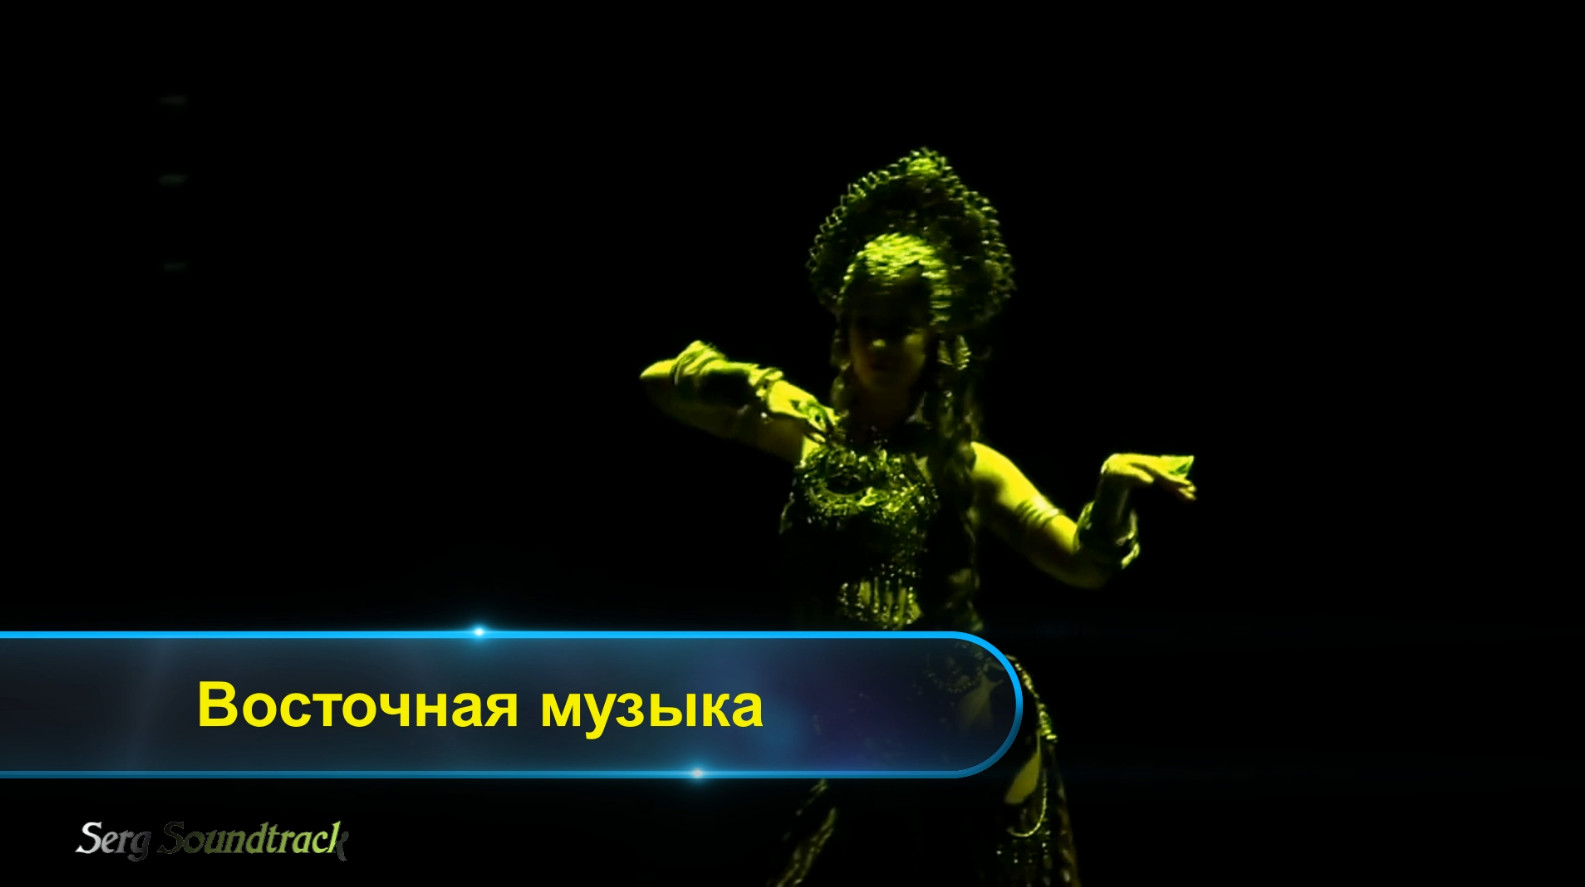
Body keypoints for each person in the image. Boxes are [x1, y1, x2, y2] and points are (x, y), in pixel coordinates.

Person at [640, 148, 1195, 886]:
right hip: (853, 733)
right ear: (842, 330)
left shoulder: (968, 464)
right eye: (864, 322)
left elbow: (1082, 562)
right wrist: (748, 378)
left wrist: (1113, 487)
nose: (877, 343)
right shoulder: (805, 431)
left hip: (955, 734)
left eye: (899, 326)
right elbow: (658, 385)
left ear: (934, 339)